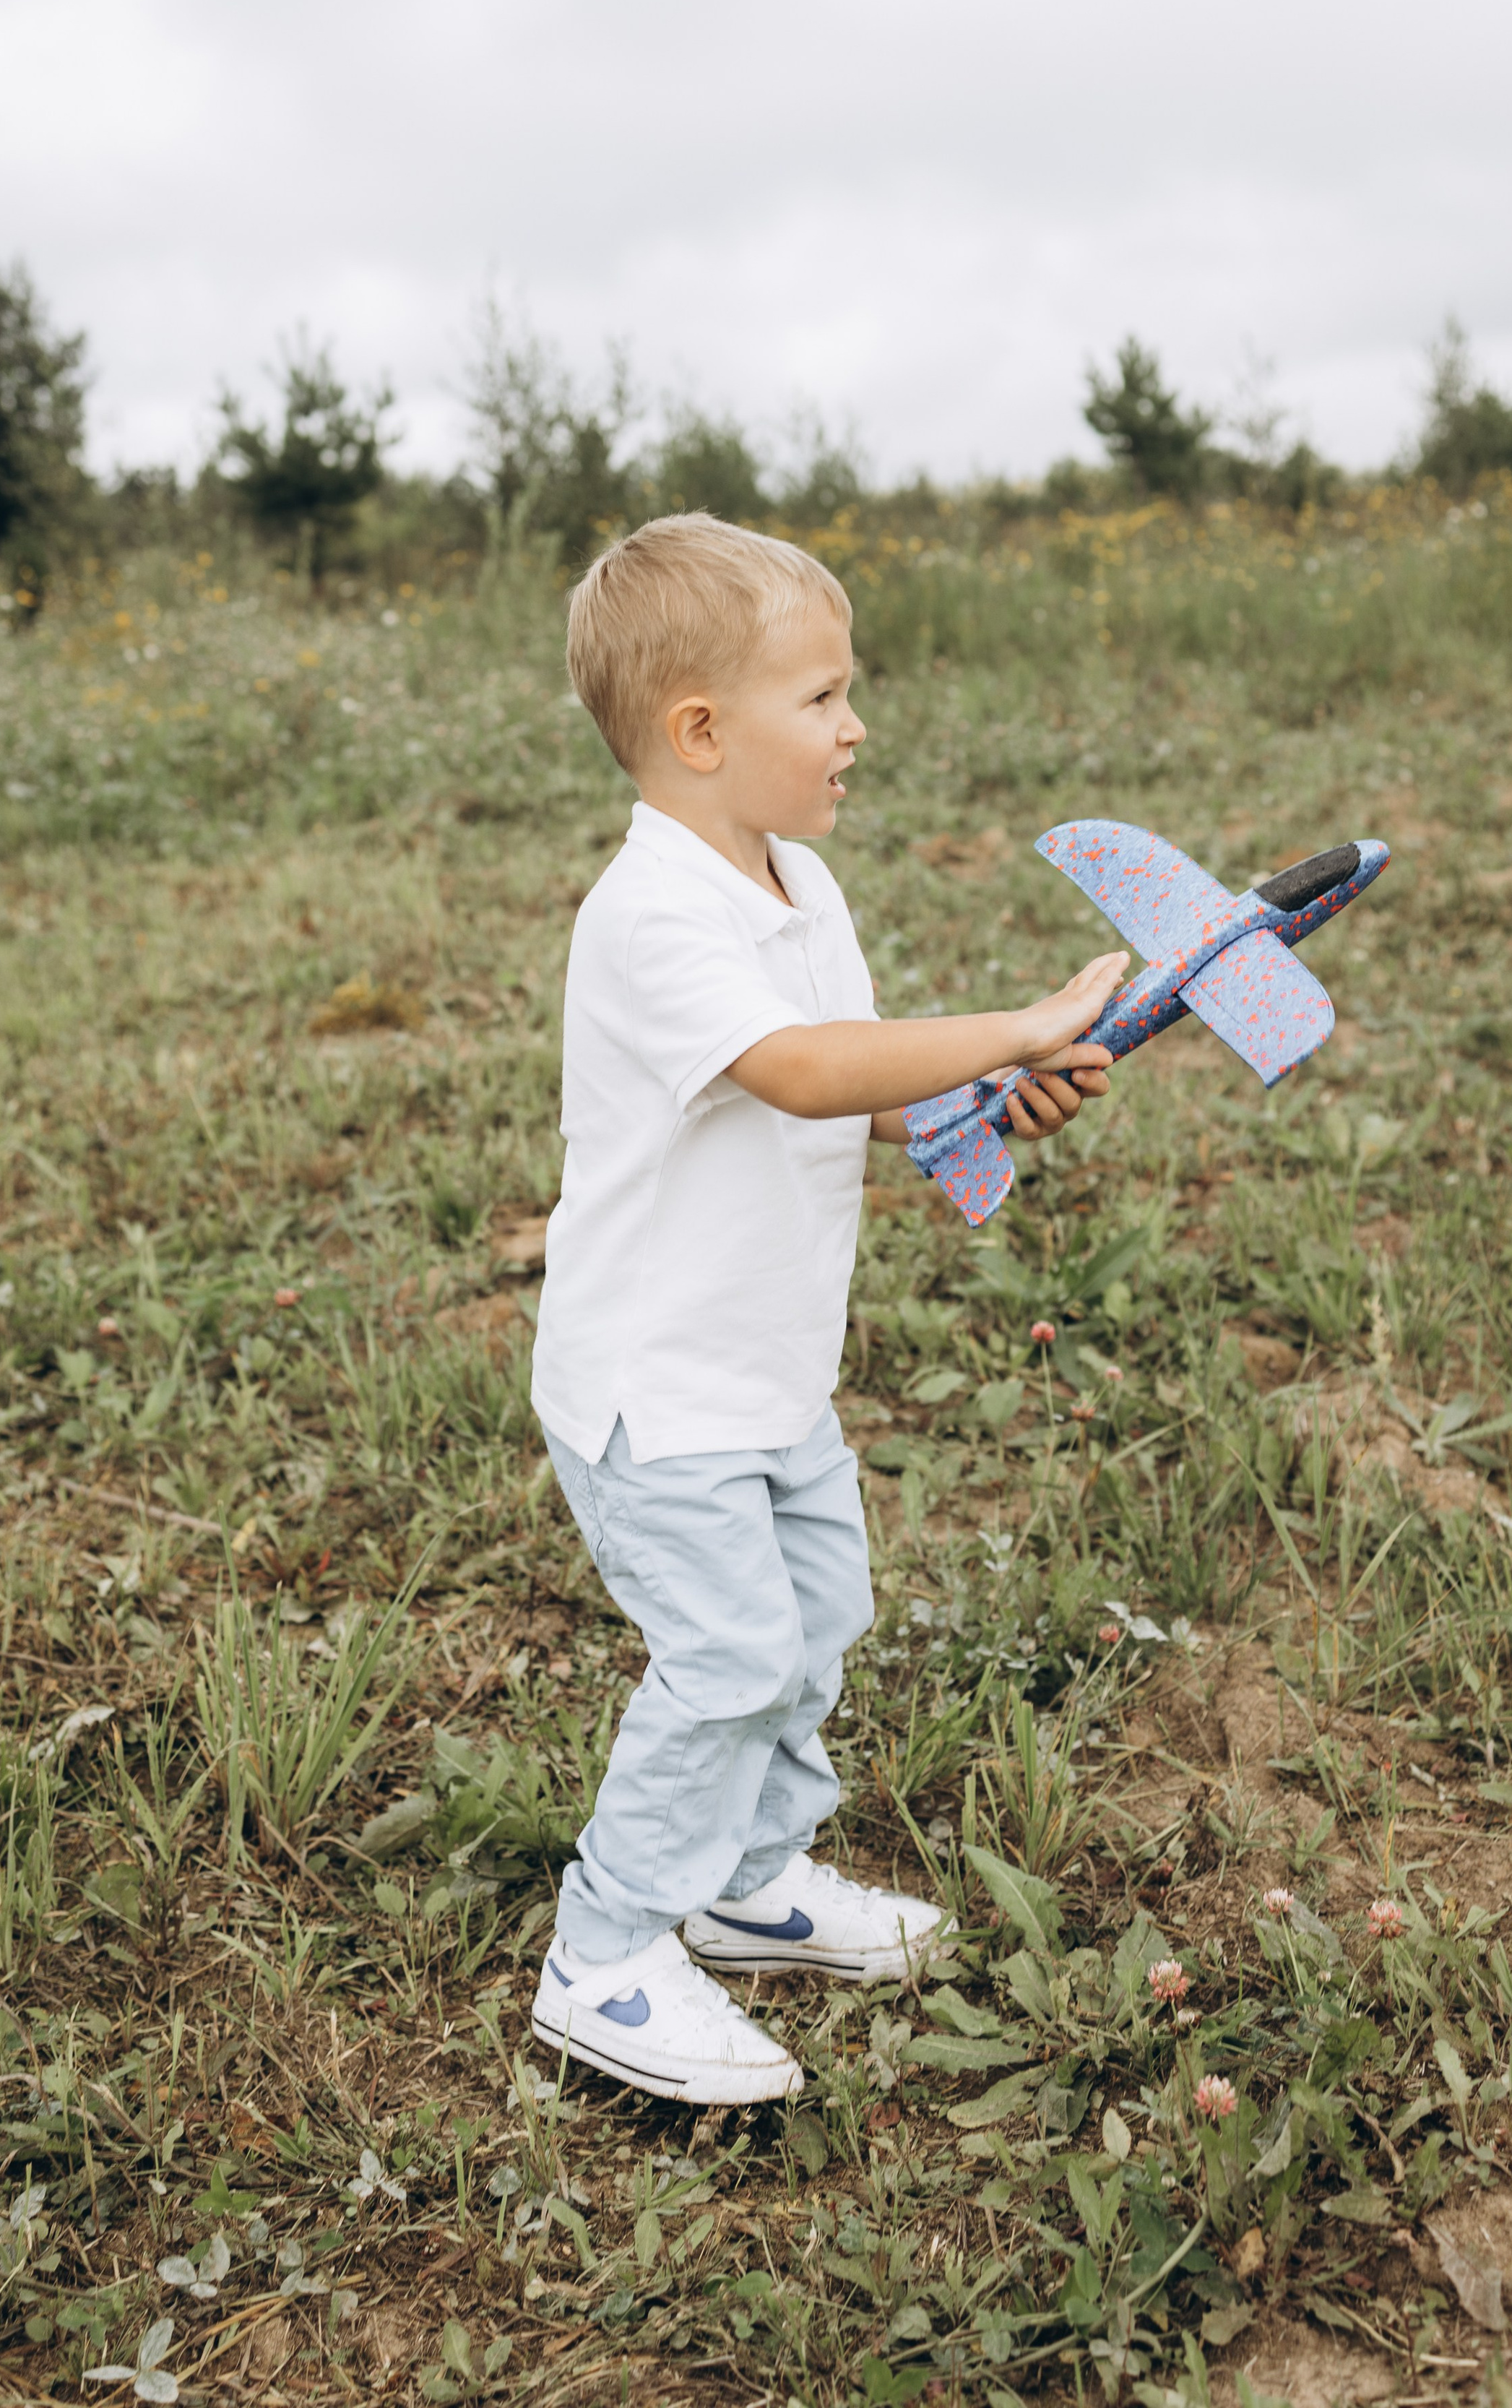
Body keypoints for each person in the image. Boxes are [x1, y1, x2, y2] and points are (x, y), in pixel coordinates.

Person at [528, 514, 1128, 2103]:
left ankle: (747, 1875)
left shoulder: (802, 884)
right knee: (724, 1657)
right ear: (700, 732)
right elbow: (793, 1067)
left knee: (812, 1635)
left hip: (772, 1373)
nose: (854, 726)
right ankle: (600, 1955)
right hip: (657, 1391)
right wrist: (1011, 1017)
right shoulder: (651, 915)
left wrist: (984, 1099)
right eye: (821, 698)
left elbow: (847, 1090)